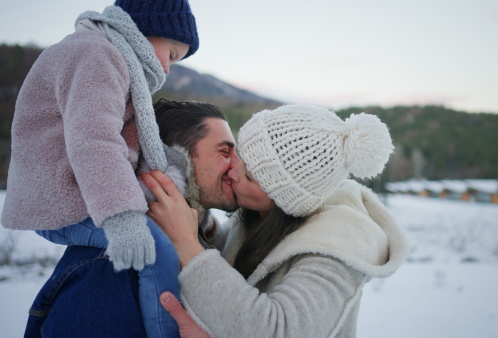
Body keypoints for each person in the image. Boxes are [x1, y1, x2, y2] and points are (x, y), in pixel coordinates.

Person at [2, 0, 200, 336]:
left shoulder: (109, 56)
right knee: (159, 253)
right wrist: (122, 217)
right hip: (61, 198)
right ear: (149, 30)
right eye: (172, 55)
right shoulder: (97, 55)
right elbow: (94, 140)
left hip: (76, 193)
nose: (167, 69)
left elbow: (119, 139)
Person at [142, 104, 409, 337]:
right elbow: (245, 254)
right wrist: (203, 226)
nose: (233, 171)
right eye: (240, 157)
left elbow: (278, 331)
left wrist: (188, 246)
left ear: (283, 198)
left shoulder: (336, 250)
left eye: (249, 176)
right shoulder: (266, 215)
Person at [23, 99, 238, 338]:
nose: (237, 165)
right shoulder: (111, 267)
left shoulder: (190, 245)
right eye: (224, 152)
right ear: (176, 161)